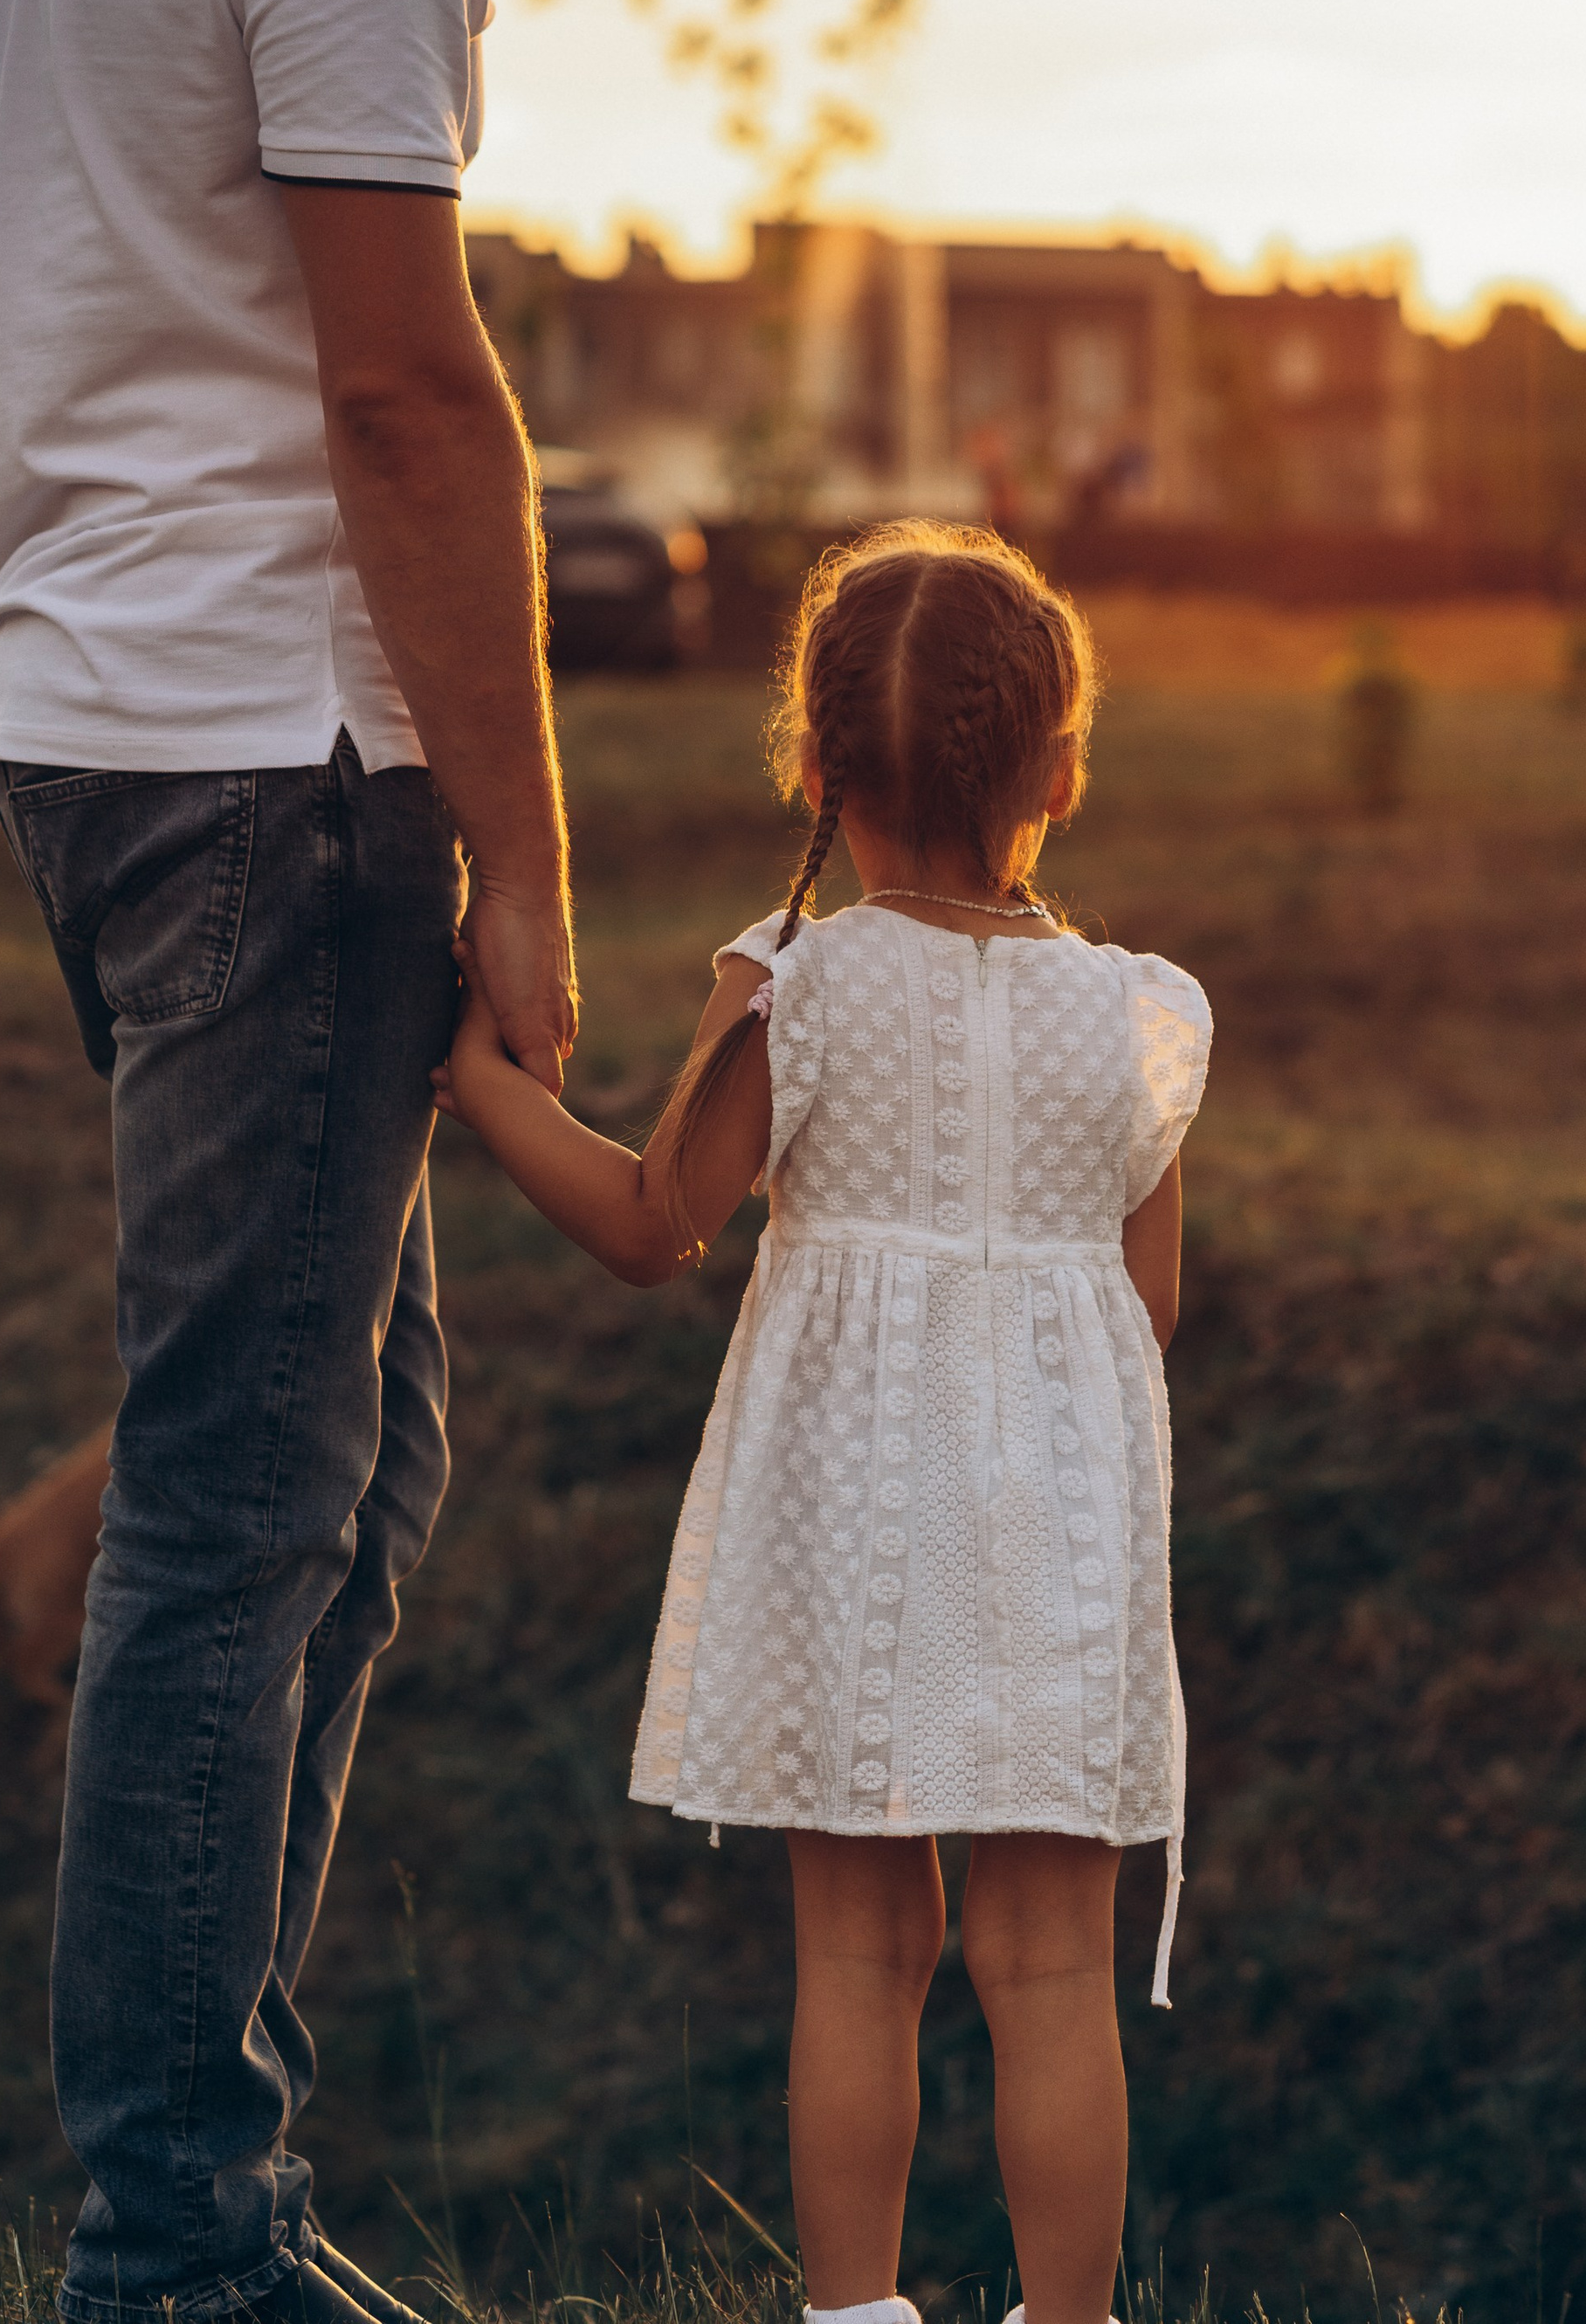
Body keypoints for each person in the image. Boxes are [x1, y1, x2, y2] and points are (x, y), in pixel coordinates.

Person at [0, 0, 575, 2324]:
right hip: (279, 759)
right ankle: (176, 2242)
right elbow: (405, 392)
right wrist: (531, 858)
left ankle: (206, 2190)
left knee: (349, 1453)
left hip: (81, 731)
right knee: (235, 1504)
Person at [434, 522, 1210, 2324]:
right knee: (1047, 1962)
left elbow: (653, 1224)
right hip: (1063, 1531)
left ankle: (853, 2313)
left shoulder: (796, 981)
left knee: (861, 1948)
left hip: (851, 1515)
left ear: (809, 761)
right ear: (1060, 771)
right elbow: (1139, 1307)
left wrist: (474, 1080)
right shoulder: (1137, 1016)